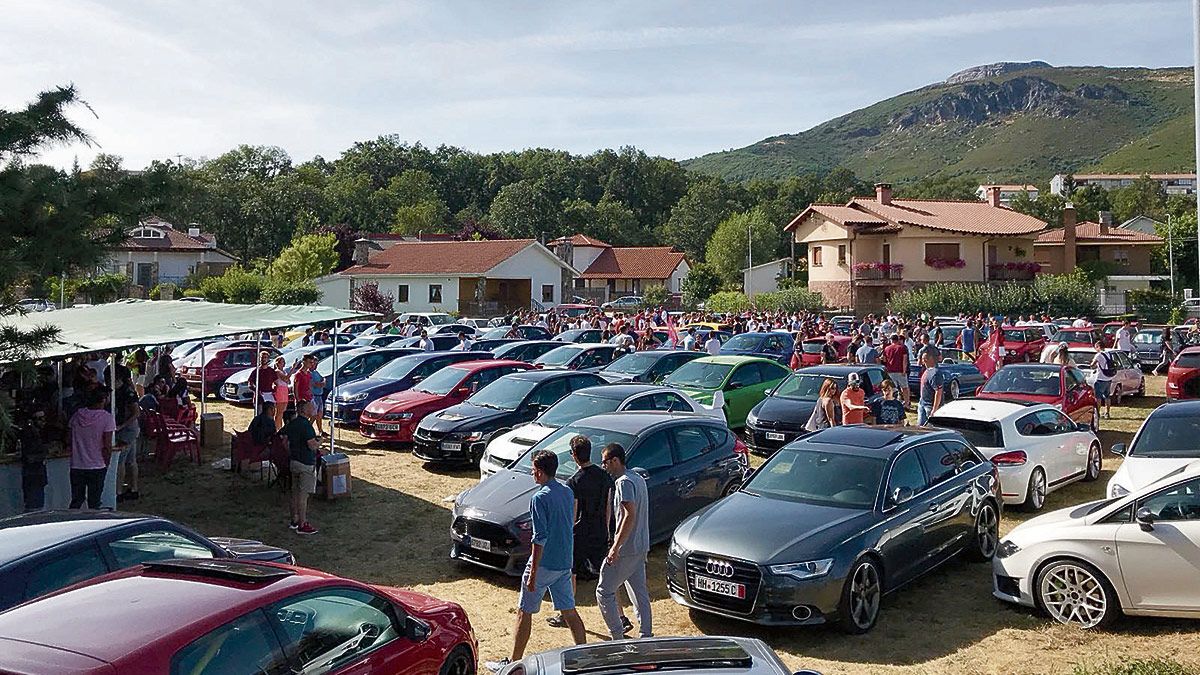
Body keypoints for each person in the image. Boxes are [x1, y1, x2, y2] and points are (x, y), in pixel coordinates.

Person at [487, 450, 586, 673]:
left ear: (540, 473)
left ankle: (513, 663)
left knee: (525, 611)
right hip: (564, 562)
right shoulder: (567, 492)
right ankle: (583, 654)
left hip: (543, 564)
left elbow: (539, 537)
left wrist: (532, 574)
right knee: (569, 611)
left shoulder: (539, 498)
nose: (532, 473)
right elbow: (568, 523)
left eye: (533, 470)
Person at [548, 436, 615, 629]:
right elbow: (608, 506)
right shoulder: (604, 476)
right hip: (600, 530)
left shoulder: (574, 481)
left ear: (574, 455)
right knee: (606, 573)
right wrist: (607, 529)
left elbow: (573, 513)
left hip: (580, 533)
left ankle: (565, 614)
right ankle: (618, 614)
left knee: (572, 573)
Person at [596, 443, 652, 641]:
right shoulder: (638, 478)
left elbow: (629, 514)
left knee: (604, 591)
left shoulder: (623, 483)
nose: (604, 467)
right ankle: (646, 635)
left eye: (605, 463)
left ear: (615, 461)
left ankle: (617, 636)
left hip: (626, 548)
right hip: (641, 545)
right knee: (639, 591)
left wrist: (615, 547)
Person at [69, 390, 117, 509]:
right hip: (97, 464)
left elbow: (69, 437)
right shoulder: (106, 418)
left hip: (77, 464)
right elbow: (107, 445)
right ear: (103, 400)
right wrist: (107, 461)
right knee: (94, 501)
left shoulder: (76, 416)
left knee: (76, 500)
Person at [283, 401, 321, 534]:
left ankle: (294, 520)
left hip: (294, 462)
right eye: (310, 407)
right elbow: (311, 445)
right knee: (303, 496)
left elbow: (284, 439)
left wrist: (290, 451)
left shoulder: (293, 423)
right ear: (304, 410)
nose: (313, 409)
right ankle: (302, 524)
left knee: (294, 493)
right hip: (305, 463)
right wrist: (319, 443)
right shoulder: (307, 426)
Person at [114, 371, 142, 502]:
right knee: (131, 460)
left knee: (121, 461)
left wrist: (122, 426)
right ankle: (133, 489)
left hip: (128, 431)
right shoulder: (121, 391)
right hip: (129, 429)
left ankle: (118, 492)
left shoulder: (127, 393)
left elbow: (136, 413)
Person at [18, 409, 48, 511]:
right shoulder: (29, 434)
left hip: (35, 475)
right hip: (33, 475)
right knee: (34, 506)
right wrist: (44, 453)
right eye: (40, 419)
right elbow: (29, 458)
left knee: (35, 504)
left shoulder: (38, 434)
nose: (43, 421)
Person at [917, 351, 945, 426]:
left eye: (923, 358)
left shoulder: (935, 373)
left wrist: (934, 409)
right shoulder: (926, 371)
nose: (922, 360)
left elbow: (938, 392)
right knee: (920, 427)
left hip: (930, 405)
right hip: (922, 403)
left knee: (932, 428)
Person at [882, 334, 911, 407]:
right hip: (900, 371)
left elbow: (884, 360)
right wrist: (904, 371)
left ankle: (891, 403)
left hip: (890, 371)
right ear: (897, 340)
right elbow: (905, 360)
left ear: (891, 340)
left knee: (891, 388)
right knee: (905, 388)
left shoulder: (886, 348)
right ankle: (907, 403)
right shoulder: (902, 348)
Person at [1091, 340, 1115, 421]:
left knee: (1098, 397)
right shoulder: (1109, 354)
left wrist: (1092, 365)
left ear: (1098, 347)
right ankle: (1107, 412)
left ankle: (1097, 413)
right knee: (1107, 396)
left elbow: (1092, 365)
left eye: (1096, 347)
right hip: (1109, 377)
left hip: (1101, 378)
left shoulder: (1098, 355)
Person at [272, 356, 290, 430]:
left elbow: (288, 380)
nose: (284, 364)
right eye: (282, 362)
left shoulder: (284, 371)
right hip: (280, 390)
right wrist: (293, 368)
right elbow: (286, 378)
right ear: (278, 363)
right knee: (279, 412)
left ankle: (280, 427)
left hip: (285, 390)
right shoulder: (277, 371)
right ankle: (277, 428)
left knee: (283, 411)